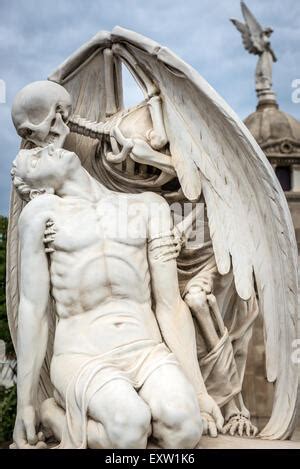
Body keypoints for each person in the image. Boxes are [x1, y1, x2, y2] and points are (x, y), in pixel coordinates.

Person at [11, 145, 223, 449]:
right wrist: (26, 404)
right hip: (83, 354)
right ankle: (54, 415)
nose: (44, 150)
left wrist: (200, 392)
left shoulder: (149, 206)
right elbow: (33, 310)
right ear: (39, 188)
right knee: (129, 430)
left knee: (185, 431)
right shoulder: (41, 215)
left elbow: (170, 305)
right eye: (33, 159)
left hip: (147, 349)